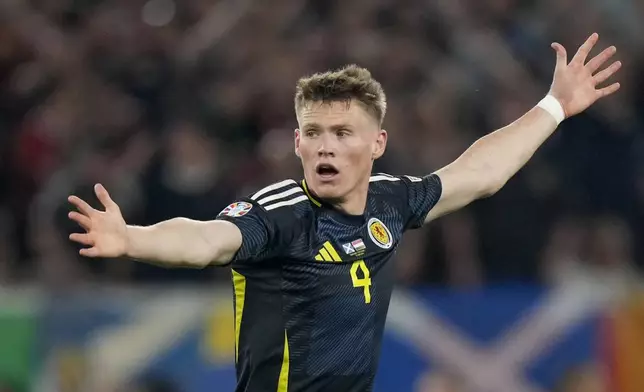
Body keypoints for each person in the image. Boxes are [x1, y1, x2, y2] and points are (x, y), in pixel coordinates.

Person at [68, 33, 621, 392]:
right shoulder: (278, 214)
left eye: (342, 133)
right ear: (298, 144)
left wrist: (553, 107)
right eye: (314, 133)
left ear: (377, 142)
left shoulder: (390, 200)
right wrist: (134, 239)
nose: (326, 146)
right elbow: (207, 240)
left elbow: (478, 174)